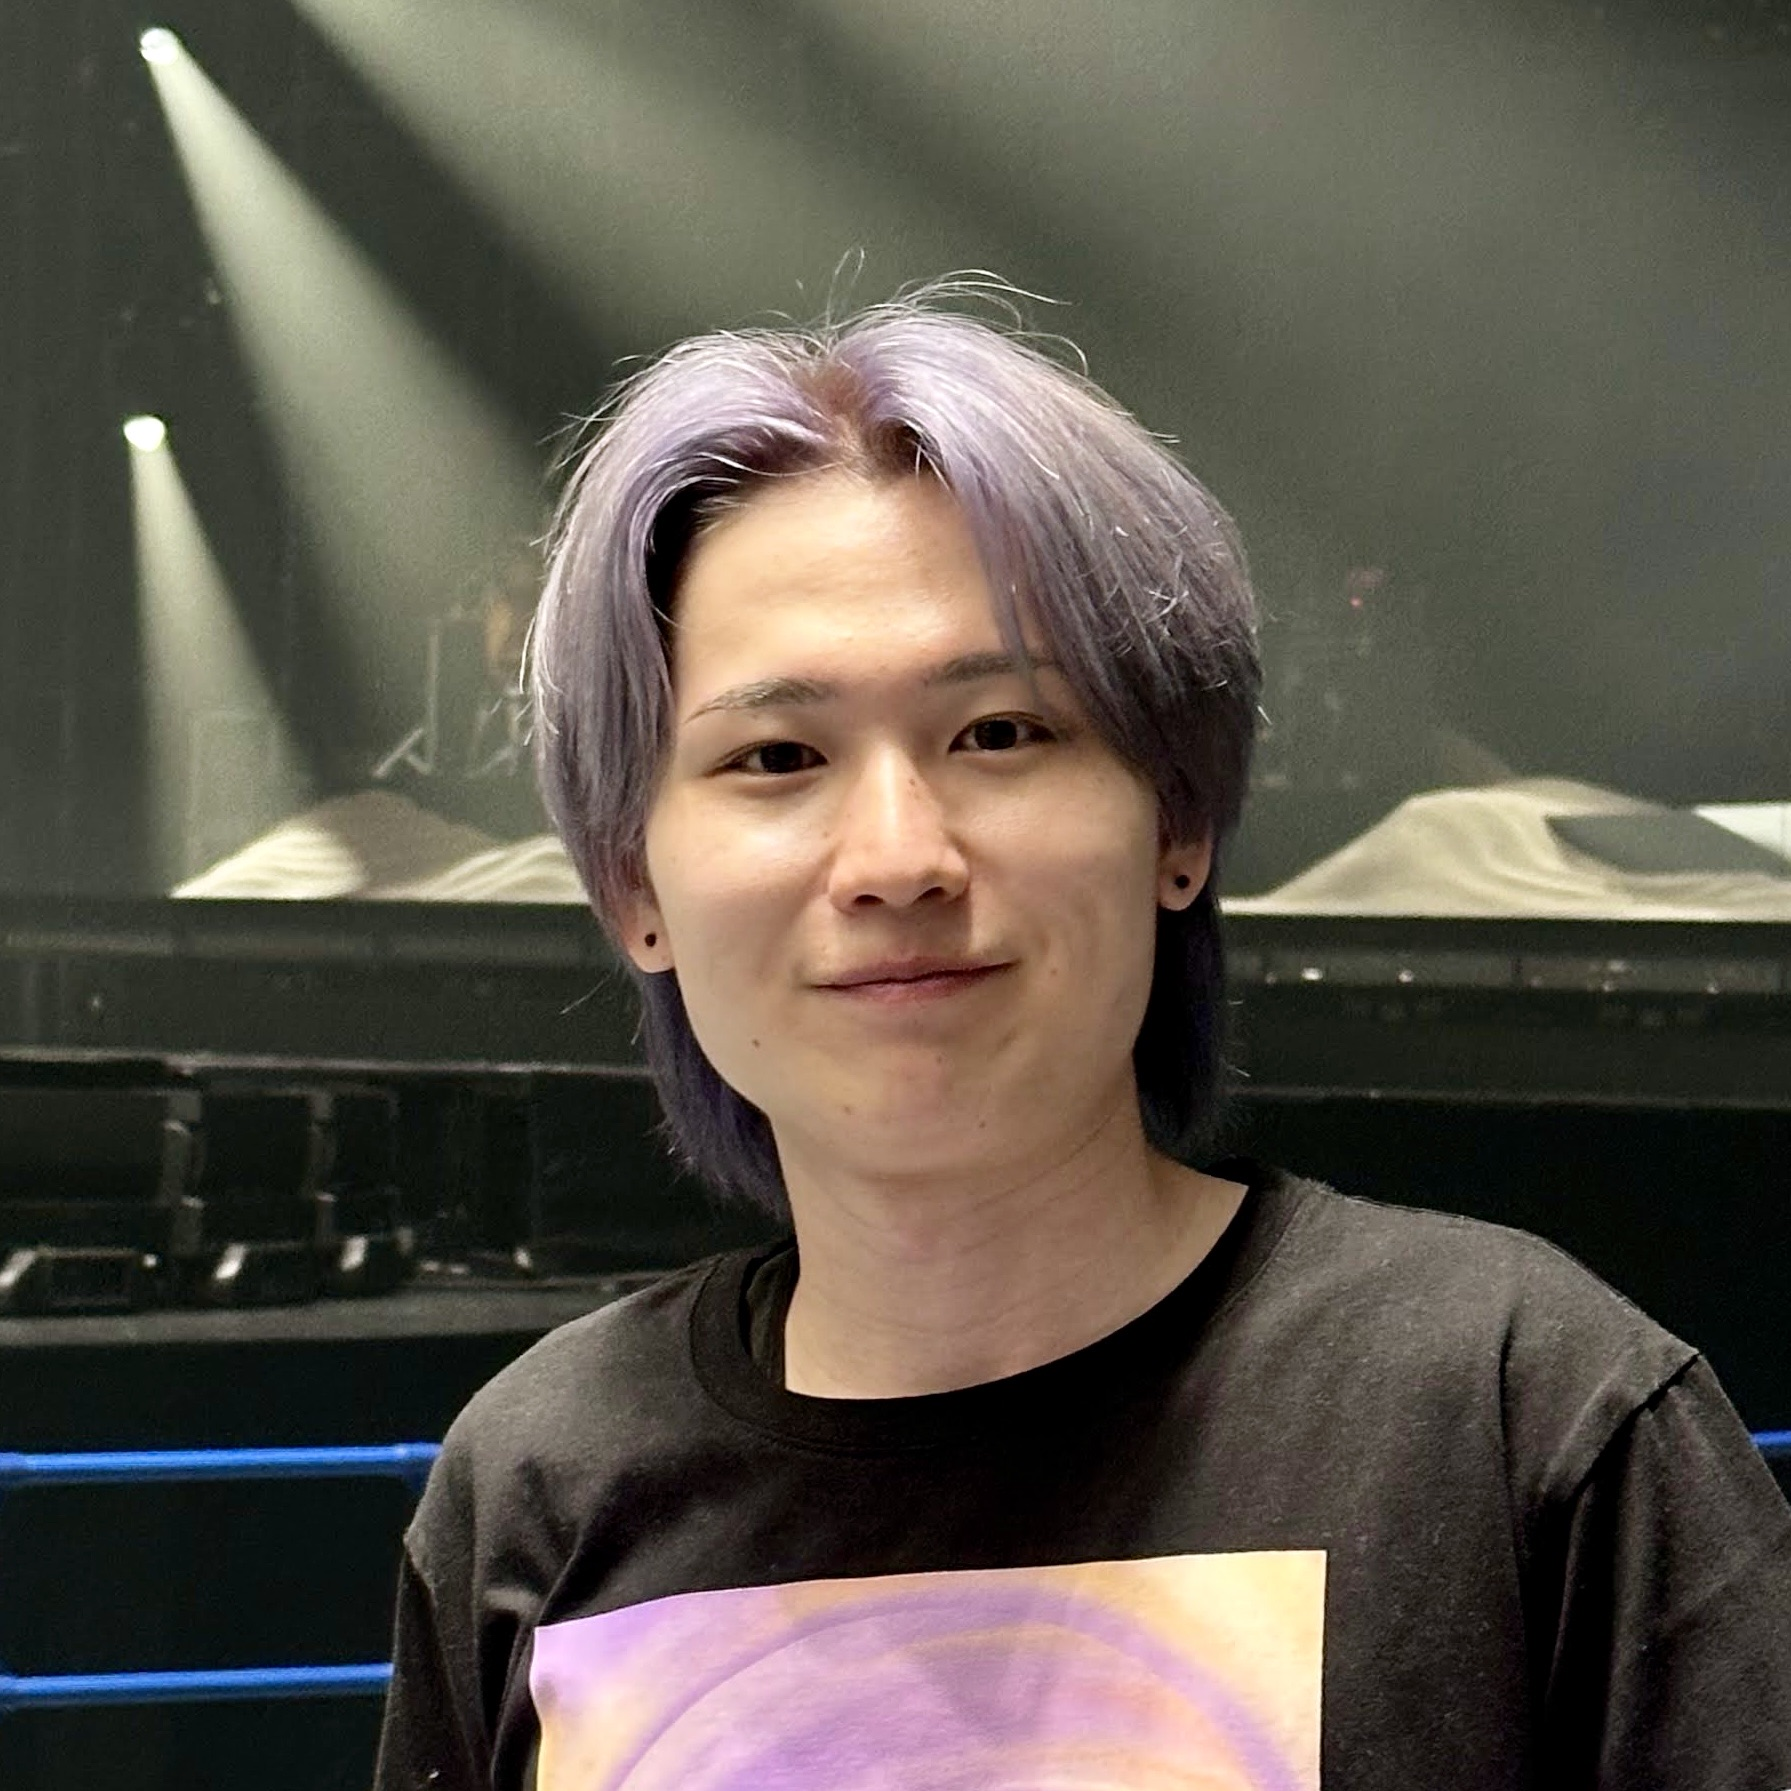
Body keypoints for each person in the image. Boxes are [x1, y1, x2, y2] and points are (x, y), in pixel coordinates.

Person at [373, 286, 1791, 1790]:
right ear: (632, 888)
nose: (897, 857)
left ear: (1176, 820)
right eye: (776, 756)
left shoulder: (1520, 1419)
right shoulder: (539, 1485)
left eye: (1000, 732)